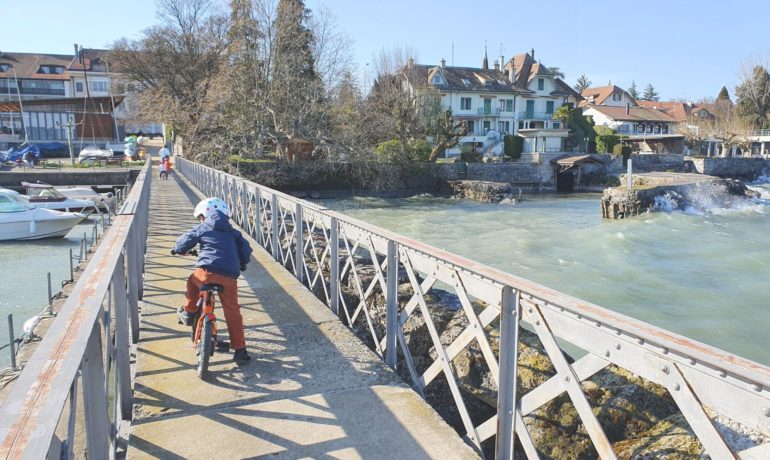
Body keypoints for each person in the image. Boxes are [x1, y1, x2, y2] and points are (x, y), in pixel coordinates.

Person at [172, 198, 253, 365]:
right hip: (229, 276)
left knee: (192, 281)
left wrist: (178, 249)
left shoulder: (203, 227)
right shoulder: (233, 232)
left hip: (207, 272)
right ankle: (240, 350)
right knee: (233, 311)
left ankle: (188, 311)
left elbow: (182, 244)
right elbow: (246, 251)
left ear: (204, 215)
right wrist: (242, 263)